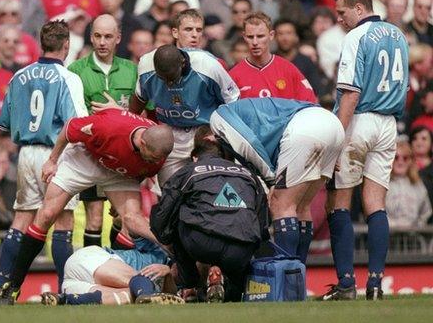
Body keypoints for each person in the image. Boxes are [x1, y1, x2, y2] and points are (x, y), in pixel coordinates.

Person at [0, 108, 174, 305]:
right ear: (142, 142)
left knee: (131, 219)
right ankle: (12, 287)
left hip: (119, 172)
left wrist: (120, 199)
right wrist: (52, 161)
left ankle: (164, 249)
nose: (156, 162)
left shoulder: (157, 153)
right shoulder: (109, 127)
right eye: (153, 157)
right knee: (46, 215)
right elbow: (69, 128)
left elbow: (142, 172)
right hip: (85, 158)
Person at [0, 20, 88, 303]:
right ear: (66, 45)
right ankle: (65, 289)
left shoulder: (18, 75)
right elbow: (75, 123)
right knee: (63, 220)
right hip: (55, 153)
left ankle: (0, 286)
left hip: (25, 154)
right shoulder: (69, 78)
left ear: (41, 44)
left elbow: (4, 125)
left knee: (21, 218)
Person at [320, 0, 409, 301]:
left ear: (359, 8)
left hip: (359, 121)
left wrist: (335, 138)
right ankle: (375, 283)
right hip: (389, 125)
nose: (340, 19)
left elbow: (351, 92)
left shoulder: (356, 37)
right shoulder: (398, 34)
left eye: (342, 12)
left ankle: (346, 284)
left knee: (339, 202)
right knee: (376, 204)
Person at [210, 98, 344, 264]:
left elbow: (249, 144)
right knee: (301, 206)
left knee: (281, 205)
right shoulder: (249, 110)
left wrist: (271, 180)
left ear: (209, 138)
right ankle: (297, 278)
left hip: (305, 128)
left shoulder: (217, 118)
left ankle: (286, 276)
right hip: (331, 125)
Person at [151, 125, 269, 303]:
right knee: (236, 266)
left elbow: (162, 217)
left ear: (195, 157)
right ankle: (233, 289)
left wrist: (167, 239)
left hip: (202, 244)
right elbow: (262, 222)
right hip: (242, 247)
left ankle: (190, 285)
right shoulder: (248, 174)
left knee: (175, 218)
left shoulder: (188, 172)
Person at [68, 14, 138, 248]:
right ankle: (92, 269)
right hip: (90, 154)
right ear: (91, 37)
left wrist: (119, 112)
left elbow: (143, 116)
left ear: (118, 38)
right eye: (97, 36)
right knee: (94, 218)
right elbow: (71, 115)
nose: (102, 42)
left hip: (124, 155)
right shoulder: (76, 69)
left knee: (125, 218)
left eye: (108, 36)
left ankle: (116, 264)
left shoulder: (131, 70)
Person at [129, 44, 239, 185]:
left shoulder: (208, 66)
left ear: (183, 63)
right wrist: (129, 124)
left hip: (205, 131)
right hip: (170, 133)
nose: (168, 84)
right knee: (170, 189)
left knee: (211, 185)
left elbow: (233, 101)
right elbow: (139, 99)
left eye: (172, 78)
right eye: (163, 79)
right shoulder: (146, 65)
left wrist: (222, 134)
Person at [40, 237, 183, 305]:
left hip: (73, 287)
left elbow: (168, 297)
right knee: (141, 279)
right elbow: (131, 221)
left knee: (126, 298)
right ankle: (146, 296)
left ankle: (63, 300)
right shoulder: (160, 252)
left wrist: (168, 272)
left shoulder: (171, 285)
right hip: (88, 261)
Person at [229, 12, 317, 102]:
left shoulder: (288, 69)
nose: (255, 42)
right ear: (244, 37)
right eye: (250, 37)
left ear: (271, 35)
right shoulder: (234, 76)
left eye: (260, 36)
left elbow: (310, 104)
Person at [385, 140, 432, 228]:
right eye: (396, 157)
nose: (400, 161)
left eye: (405, 158)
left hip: (412, 238)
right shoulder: (382, 184)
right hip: (388, 236)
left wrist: (417, 226)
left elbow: (426, 211)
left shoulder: (418, 184)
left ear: (411, 160)